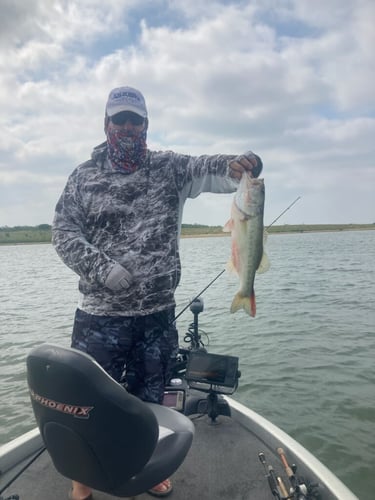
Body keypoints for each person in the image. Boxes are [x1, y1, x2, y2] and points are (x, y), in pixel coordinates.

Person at [52, 86, 263, 500]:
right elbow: (63, 232)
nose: (128, 128)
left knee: (152, 397)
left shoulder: (169, 167)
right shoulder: (83, 176)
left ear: (146, 125)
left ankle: (147, 466)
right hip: (100, 315)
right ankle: (83, 478)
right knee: (88, 400)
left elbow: (213, 169)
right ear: (106, 124)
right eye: (120, 120)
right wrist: (101, 269)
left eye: (136, 120)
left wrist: (244, 165)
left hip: (157, 315)